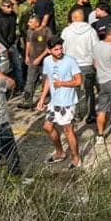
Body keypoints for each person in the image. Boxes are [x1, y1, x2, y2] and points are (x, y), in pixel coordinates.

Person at [36, 37, 83, 170]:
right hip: (54, 102)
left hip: (67, 102)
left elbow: (79, 81)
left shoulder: (70, 61)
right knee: (47, 127)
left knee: (68, 131)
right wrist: (42, 99)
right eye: (55, 49)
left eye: (60, 48)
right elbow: (48, 81)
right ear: (49, 50)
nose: (59, 51)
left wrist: (62, 83)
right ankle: (60, 152)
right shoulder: (47, 61)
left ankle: (76, 158)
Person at [61, 8, 99, 123]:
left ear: (73, 18)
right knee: (89, 91)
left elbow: (62, 48)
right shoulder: (91, 31)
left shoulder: (66, 31)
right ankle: (91, 114)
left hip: (71, 65)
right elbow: (96, 48)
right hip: (87, 64)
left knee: (73, 91)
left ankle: (76, 114)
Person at [0, 0, 22, 91]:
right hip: (0, 46)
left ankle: (19, 86)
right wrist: (5, 46)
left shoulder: (13, 16)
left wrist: (13, 42)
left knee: (17, 65)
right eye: (8, 7)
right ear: (2, 6)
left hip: (12, 44)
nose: (10, 8)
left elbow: (14, 30)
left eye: (11, 6)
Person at [21, 15, 53, 109]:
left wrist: (39, 58)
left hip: (45, 61)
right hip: (32, 60)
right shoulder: (30, 31)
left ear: (37, 23)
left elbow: (49, 47)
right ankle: (27, 101)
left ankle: (46, 100)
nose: (28, 24)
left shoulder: (46, 31)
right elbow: (28, 43)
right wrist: (26, 56)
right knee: (30, 81)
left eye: (30, 22)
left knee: (45, 81)